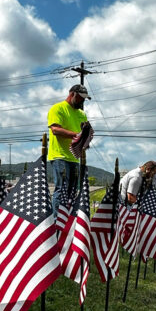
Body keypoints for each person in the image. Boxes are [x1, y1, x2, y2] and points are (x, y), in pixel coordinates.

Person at [47, 84, 91, 216]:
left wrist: (85, 140)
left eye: (84, 99)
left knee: (72, 191)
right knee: (61, 189)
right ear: (72, 94)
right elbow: (55, 129)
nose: (82, 101)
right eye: (80, 98)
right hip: (59, 155)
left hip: (74, 156)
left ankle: (67, 220)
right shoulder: (58, 108)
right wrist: (76, 135)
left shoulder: (82, 114)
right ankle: (56, 221)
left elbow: (85, 131)